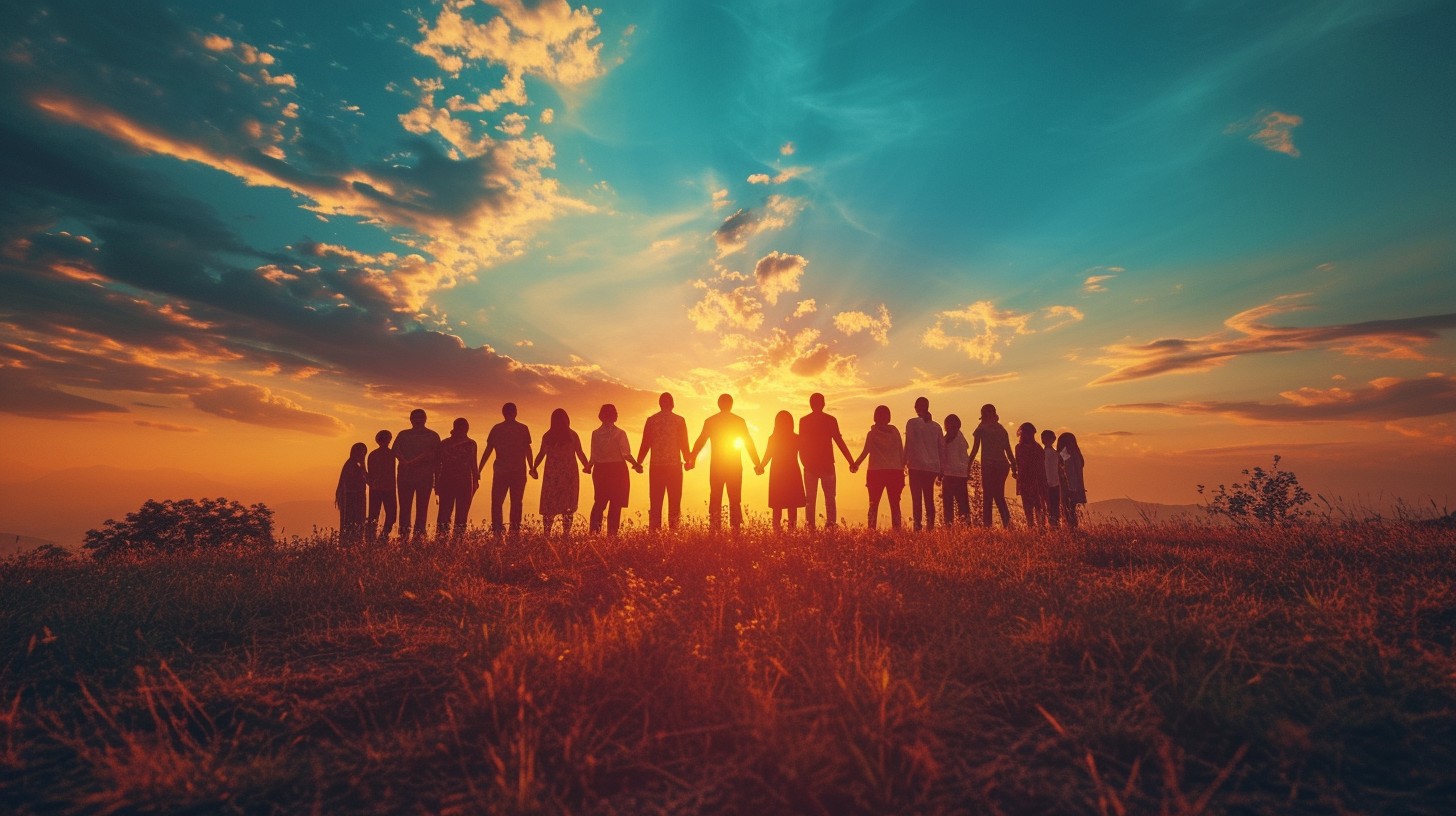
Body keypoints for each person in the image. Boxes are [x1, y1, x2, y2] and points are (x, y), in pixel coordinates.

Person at [690, 394, 761, 532]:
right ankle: (735, 532)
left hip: (717, 466)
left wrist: (692, 458)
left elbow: (700, 441)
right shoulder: (739, 421)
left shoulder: (711, 421)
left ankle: (714, 530)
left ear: (718, 404)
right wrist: (757, 463)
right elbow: (749, 443)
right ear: (731, 404)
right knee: (735, 499)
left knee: (715, 497)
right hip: (734, 466)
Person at [636, 392, 693, 530]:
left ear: (660, 404)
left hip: (656, 467)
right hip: (674, 467)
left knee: (655, 503)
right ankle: (674, 533)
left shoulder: (651, 420)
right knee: (674, 503)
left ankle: (654, 534)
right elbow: (684, 444)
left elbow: (645, 443)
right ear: (672, 404)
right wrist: (688, 461)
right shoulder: (679, 420)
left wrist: (639, 463)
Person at [479, 403, 535, 538]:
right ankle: (506, 531)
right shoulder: (502, 429)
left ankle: (508, 532)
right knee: (507, 502)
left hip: (512, 471)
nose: (510, 413)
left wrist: (532, 467)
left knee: (507, 502)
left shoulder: (517, 429)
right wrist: (479, 468)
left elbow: (528, 449)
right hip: (506, 471)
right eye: (510, 411)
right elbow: (489, 449)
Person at [798, 393, 854, 529]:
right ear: (823, 404)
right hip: (823, 465)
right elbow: (839, 441)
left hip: (815, 466)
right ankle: (830, 526)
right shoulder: (829, 420)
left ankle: (811, 527)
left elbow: (801, 445)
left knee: (812, 500)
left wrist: (805, 462)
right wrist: (851, 461)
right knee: (828, 499)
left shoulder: (805, 421)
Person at [587, 404, 642, 537]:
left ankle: (594, 533)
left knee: (599, 502)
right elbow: (626, 454)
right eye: (616, 413)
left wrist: (588, 466)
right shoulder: (620, 433)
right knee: (615, 504)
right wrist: (636, 465)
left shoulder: (595, 434)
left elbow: (593, 455)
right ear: (614, 416)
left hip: (600, 471)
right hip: (617, 470)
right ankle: (612, 535)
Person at [533, 408, 589, 537]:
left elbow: (541, 454)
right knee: (568, 507)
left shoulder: (548, 436)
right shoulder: (572, 435)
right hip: (569, 475)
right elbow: (580, 452)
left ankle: (547, 533)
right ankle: (566, 534)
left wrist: (534, 467)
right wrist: (587, 466)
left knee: (549, 506)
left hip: (552, 475)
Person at [851, 405, 905, 530]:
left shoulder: (873, 434)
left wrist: (856, 464)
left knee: (875, 504)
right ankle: (895, 532)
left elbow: (865, 452)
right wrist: (902, 471)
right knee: (892, 504)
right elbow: (900, 452)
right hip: (891, 472)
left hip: (878, 472)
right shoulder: (893, 432)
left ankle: (872, 531)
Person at [392, 409, 440, 541]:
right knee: (404, 508)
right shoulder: (403, 435)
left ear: (425, 419)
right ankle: (403, 536)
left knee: (422, 508)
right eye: (415, 417)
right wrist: (404, 462)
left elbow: (435, 457)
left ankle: (419, 536)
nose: (418, 420)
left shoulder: (433, 436)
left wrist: (410, 462)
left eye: (420, 417)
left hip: (425, 478)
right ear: (410, 419)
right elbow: (395, 450)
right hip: (404, 478)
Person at [757, 410, 806, 530]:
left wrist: (761, 466)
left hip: (777, 473)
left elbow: (768, 455)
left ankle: (776, 531)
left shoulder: (773, 438)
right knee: (792, 504)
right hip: (792, 471)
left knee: (777, 505)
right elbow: (804, 456)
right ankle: (792, 531)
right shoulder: (796, 438)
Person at [969, 403, 1016, 528]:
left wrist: (968, 467)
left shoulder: (981, 428)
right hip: (1001, 465)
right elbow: (1009, 451)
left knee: (989, 496)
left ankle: (988, 526)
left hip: (991, 465)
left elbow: (974, 450)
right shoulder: (1001, 429)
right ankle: (1007, 524)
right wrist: (1014, 466)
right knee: (997, 495)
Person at [435, 418, 479, 539]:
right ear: (466, 428)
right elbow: (473, 465)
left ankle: (441, 539)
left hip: (447, 480)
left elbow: (437, 465)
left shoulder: (444, 443)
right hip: (463, 481)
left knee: (444, 512)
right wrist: (476, 480)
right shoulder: (471, 443)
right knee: (461, 514)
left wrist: (436, 484)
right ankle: (457, 540)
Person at [904, 396, 943, 531]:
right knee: (929, 498)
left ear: (916, 407)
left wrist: (903, 462)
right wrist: (941, 469)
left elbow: (908, 443)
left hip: (915, 465)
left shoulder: (911, 423)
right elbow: (941, 448)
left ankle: (917, 527)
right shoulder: (937, 427)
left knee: (916, 499)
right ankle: (930, 527)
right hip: (932, 468)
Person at [365, 430, 397, 543]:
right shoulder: (377, 455)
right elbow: (372, 472)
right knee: (375, 515)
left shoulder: (391, 454)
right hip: (379, 489)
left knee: (389, 515)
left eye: (387, 439)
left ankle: (381, 536)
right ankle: (373, 538)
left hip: (386, 489)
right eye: (384, 439)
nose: (386, 441)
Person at [940, 414, 971, 525]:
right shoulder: (953, 438)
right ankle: (960, 526)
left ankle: (960, 526)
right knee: (958, 505)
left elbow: (944, 457)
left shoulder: (952, 438)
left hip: (954, 475)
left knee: (956, 505)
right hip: (954, 475)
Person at [1014, 422, 1046, 528]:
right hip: (1025, 480)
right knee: (1028, 507)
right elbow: (1019, 463)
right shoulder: (1019, 448)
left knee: (1038, 506)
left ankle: (1040, 527)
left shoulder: (1037, 448)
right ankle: (1031, 527)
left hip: (1035, 480)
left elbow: (1041, 465)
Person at [335, 442, 368, 546]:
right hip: (353, 498)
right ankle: (352, 543)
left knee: (354, 521)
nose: (362, 454)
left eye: (363, 452)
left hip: (356, 497)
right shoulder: (352, 465)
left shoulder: (352, 464)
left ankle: (353, 542)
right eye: (360, 452)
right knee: (352, 521)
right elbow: (364, 479)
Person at [1057, 432, 1087, 529]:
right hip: (1077, 486)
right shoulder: (1077, 454)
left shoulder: (1065, 454)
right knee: (1072, 510)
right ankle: (1073, 528)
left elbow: (1069, 471)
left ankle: (1070, 528)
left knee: (1067, 509)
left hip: (1067, 487)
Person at [1042, 429, 1063, 528]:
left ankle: (1055, 524)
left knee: (1055, 505)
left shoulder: (1054, 452)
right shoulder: (1046, 453)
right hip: (1050, 483)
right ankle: (1053, 525)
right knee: (1051, 506)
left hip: (1055, 483)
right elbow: (1046, 468)